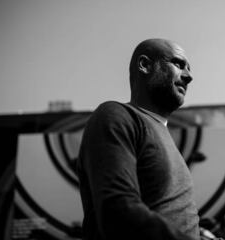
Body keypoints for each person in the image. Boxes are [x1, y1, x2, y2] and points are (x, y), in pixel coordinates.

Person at [77, 38, 202, 240]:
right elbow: (118, 211)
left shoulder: (163, 134)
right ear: (145, 65)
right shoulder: (116, 115)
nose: (189, 76)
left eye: (188, 68)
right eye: (178, 64)